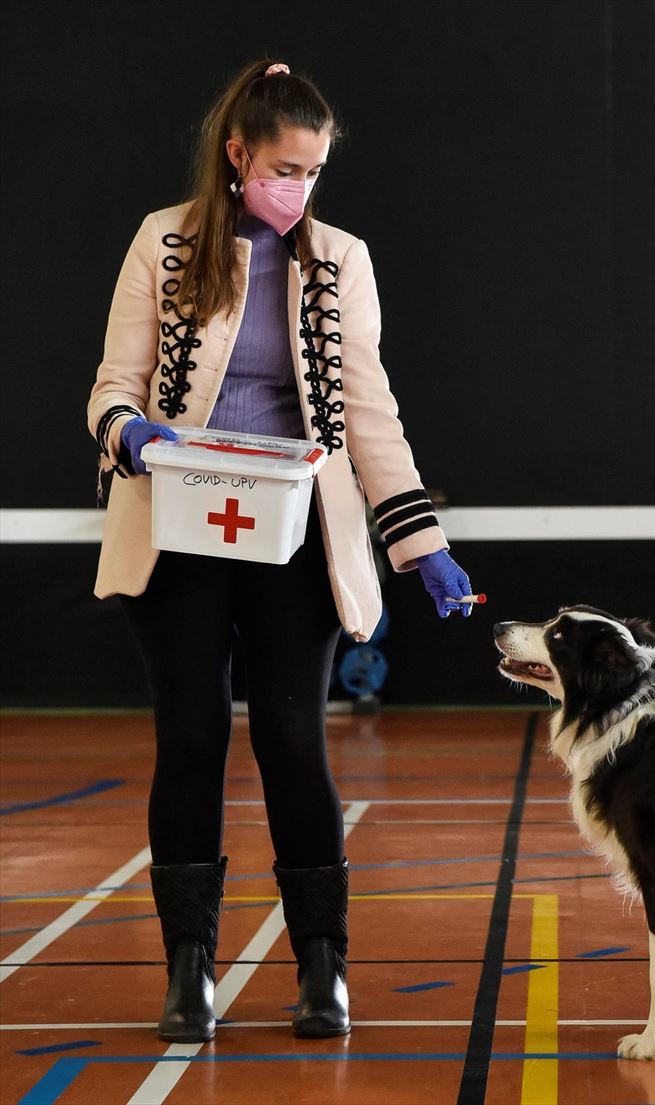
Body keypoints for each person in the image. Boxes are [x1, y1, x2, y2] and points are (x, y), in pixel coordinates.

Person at [87, 60, 476, 1043]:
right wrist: (134, 433)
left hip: (295, 536)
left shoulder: (340, 259)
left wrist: (420, 541)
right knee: (191, 738)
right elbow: (111, 384)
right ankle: (189, 969)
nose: (299, 186)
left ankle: (322, 968)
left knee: (294, 742)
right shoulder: (163, 243)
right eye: (286, 166)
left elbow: (371, 413)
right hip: (178, 525)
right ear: (237, 154)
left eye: (313, 170)